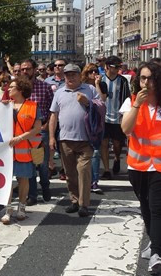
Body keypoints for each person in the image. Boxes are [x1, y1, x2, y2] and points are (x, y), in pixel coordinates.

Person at [120, 62, 161, 275]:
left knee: (158, 209)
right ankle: (153, 241)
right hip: (137, 165)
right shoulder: (130, 102)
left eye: (151, 78)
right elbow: (125, 129)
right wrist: (137, 105)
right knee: (146, 208)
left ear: (160, 80)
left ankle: (157, 254)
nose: (146, 83)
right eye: (143, 78)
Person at [49, 64, 101, 218]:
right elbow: (53, 116)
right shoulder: (59, 93)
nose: (70, 78)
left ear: (79, 76)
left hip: (86, 139)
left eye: (73, 75)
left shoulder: (89, 90)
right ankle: (74, 200)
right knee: (70, 173)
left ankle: (83, 204)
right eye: (67, 75)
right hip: (65, 139)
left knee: (83, 171)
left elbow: (100, 107)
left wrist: (87, 103)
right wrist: (52, 137)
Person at [0, 77, 42, 224]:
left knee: (23, 180)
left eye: (11, 87)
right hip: (7, 151)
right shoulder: (5, 106)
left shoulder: (33, 106)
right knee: (7, 181)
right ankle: (8, 209)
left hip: (25, 150)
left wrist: (20, 138)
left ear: (20, 90)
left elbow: (37, 128)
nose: (8, 89)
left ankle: (21, 208)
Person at [20, 59, 54, 206]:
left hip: (41, 132)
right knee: (30, 164)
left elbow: (53, 109)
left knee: (42, 164)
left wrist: (47, 125)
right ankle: (32, 194)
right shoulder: (19, 89)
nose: (25, 72)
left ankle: (45, 185)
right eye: (22, 69)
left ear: (34, 70)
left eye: (27, 69)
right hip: (25, 133)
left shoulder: (44, 87)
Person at [98, 56, 131, 181]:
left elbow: (126, 98)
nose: (118, 69)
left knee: (117, 144)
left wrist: (125, 115)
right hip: (104, 118)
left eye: (119, 66)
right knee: (104, 143)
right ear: (107, 67)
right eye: (115, 66)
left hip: (117, 118)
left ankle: (117, 158)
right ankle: (106, 169)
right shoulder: (101, 80)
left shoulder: (122, 81)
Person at [81, 63, 108, 194]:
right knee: (84, 151)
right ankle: (85, 179)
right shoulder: (82, 86)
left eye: (95, 71)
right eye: (90, 71)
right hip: (84, 121)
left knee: (96, 151)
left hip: (97, 122)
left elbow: (102, 100)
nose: (93, 73)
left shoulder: (101, 85)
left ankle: (94, 181)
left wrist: (97, 84)